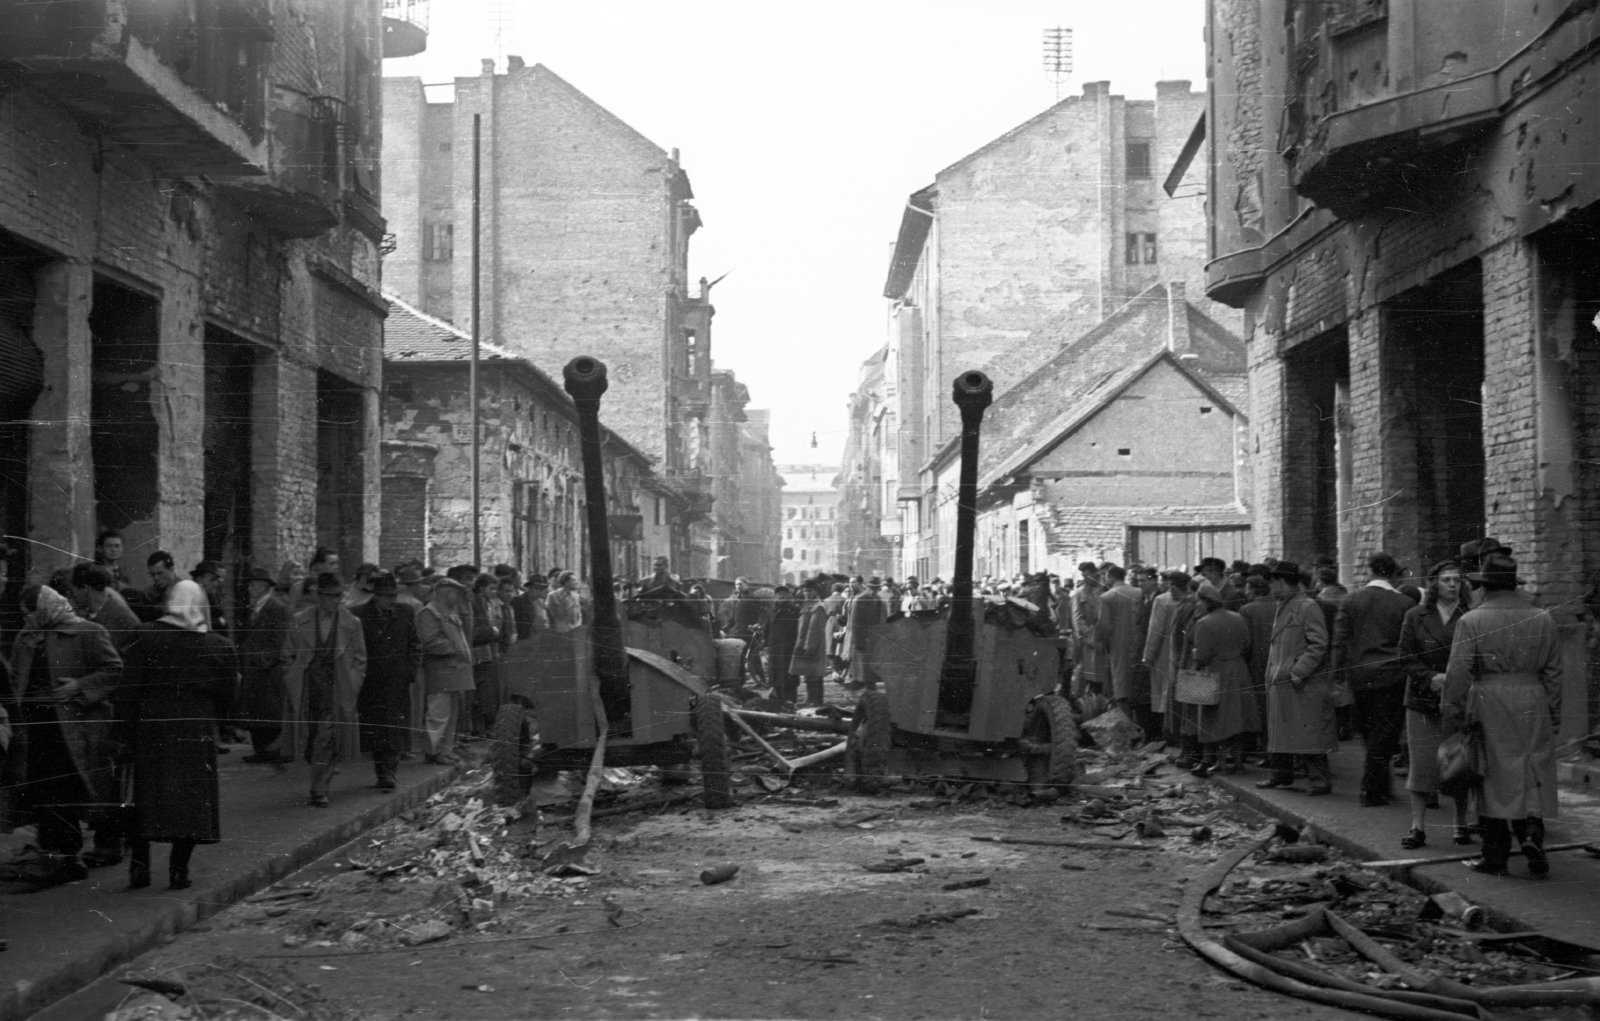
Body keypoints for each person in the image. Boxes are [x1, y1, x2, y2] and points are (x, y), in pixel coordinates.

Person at [1442, 553, 1562, 877]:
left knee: (1490, 774)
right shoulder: (1543, 617)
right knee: (1530, 769)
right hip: (1533, 698)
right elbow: (1553, 673)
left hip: (1489, 699)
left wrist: (1452, 714)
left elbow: (1458, 673)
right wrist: (1553, 713)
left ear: (1484, 587)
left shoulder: (1472, 620)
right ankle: (1533, 836)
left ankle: (1494, 857)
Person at [0, 586, 123, 885]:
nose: (26, 621)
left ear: (45, 609)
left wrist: (79, 686)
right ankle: (50, 854)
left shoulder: (89, 632)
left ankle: (68, 858)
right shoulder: (27, 638)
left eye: (30, 614)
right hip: (34, 728)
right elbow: (16, 681)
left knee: (64, 792)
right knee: (41, 793)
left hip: (72, 729)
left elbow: (114, 670)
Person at [120, 580, 235, 890]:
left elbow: (128, 689)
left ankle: (139, 866)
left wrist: (123, 730)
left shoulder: (143, 636)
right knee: (191, 801)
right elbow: (229, 698)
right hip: (195, 728)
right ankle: (178, 869)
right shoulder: (218, 645)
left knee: (147, 795)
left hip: (152, 725)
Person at [1395, 560, 1472, 850]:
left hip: (1458, 701)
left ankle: (1460, 824)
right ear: (1434, 585)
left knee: (1459, 764)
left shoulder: (1470, 615)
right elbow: (1405, 655)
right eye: (1446, 580)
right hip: (1422, 699)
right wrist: (1430, 678)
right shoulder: (1416, 615)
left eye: (1456, 580)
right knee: (1422, 765)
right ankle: (1418, 827)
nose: (1452, 585)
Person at [1333, 551, 1417, 806]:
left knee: (1369, 731)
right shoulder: (1404, 604)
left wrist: (1337, 674)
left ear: (1369, 570)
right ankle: (1372, 787)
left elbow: (1340, 640)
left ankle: (1380, 784)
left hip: (1359, 675)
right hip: (1391, 675)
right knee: (1384, 731)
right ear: (1392, 573)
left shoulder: (1350, 601)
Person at [282, 573, 367, 807]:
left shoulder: (352, 623)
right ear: (319, 596)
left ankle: (319, 790)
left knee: (327, 738)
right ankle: (319, 780)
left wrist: (353, 684)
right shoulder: (300, 620)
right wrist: (293, 679)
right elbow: (287, 654)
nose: (335, 601)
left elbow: (360, 659)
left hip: (337, 689)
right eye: (330, 596)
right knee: (309, 739)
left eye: (339, 596)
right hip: (307, 689)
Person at [1258, 561, 1335, 795]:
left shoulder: (1307, 605)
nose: (1270, 588)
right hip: (1282, 679)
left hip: (1299, 682)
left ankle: (1320, 781)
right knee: (1282, 731)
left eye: (1272, 583)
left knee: (1308, 733)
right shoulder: (1285, 604)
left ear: (1282, 582)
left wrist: (1298, 672)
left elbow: (1319, 644)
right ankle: (1281, 775)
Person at [353, 573, 420, 790]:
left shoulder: (405, 613)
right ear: (376, 596)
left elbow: (414, 645)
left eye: (393, 595)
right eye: (386, 596)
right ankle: (382, 771)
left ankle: (389, 773)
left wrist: (410, 672)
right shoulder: (359, 615)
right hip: (371, 682)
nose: (391, 600)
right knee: (377, 730)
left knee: (395, 729)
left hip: (397, 681)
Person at [1185, 580, 1259, 775]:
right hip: (1239, 670)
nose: (1197, 605)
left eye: (1198, 601)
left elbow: (1202, 656)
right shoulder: (1238, 617)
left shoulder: (1203, 623)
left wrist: (1195, 656)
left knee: (1213, 719)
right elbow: (1247, 645)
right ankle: (1237, 761)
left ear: (1207, 601)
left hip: (1215, 672)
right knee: (1238, 719)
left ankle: (1217, 761)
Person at [236, 566, 290, 764]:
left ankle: (271, 751)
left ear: (265, 586)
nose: (250, 588)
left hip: (268, 670)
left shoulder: (276, 608)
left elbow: (279, 640)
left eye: (254, 584)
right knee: (256, 712)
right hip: (254, 668)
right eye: (249, 584)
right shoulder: (255, 608)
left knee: (268, 713)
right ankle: (261, 750)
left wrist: (261, 660)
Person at [417, 578, 474, 764]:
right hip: (440, 669)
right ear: (445, 592)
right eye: (455, 592)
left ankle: (445, 751)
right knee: (438, 713)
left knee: (451, 714)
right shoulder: (429, 612)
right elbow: (431, 642)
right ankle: (433, 752)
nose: (457, 597)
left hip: (454, 669)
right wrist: (456, 648)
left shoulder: (449, 611)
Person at [1142, 571, 1190, 742]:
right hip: (1182, 652)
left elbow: (1155, 630)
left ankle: (1167, 732)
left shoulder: (1162, 600)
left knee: (1163, 693)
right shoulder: (1192, 598)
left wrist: (1148, 656)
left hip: (1163, 652)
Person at [1095, 565, 1145, 710]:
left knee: (1120, 681)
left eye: (1106, 576)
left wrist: (1102, 642)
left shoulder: (1107, 597)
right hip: (1138, 642)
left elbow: (1104, 625)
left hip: (1117, 643)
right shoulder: (1138, 592)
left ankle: (1124, 717)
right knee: (1136, 679)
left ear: (1111, 577)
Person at [790, 579, 832, 706]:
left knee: (813, 673)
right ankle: (812, 699)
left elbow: (814, 631)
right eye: (804, 591)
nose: (806, 593)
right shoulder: (808, 605)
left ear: (815, 591)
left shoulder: (817, 607)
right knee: (810, 673)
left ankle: (815, 700)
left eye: (809, 591)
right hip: (806, 643)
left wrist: (809, 648)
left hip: (813, 645)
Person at [843, 576, 889, 690]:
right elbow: (855, 622)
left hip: (875, 641)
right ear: (867, 587)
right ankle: (867, 690)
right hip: (863, 641)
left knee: (870, 671)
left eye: (876, 588)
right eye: (871, 588)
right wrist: (858, 641)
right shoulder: (861, 600)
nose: (873, 591)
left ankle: (866, 689)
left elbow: (884, 620)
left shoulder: (880, 601)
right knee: (864, 671)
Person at [766, 584, 803, 705]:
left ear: (788, 595)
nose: (780, 596)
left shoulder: (794, 610)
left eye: (783, 593)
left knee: (788, 677)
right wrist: (765, 641)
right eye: (778, 594)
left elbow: (799, 629)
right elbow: (767, 627)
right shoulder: (772, 609)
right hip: (775, 648)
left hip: (788, 647)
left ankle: (790, 702)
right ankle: (778, 702)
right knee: (776, 675)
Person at [1071, 563, 1105, 695]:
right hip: (1091, 643)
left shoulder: (1105, 590)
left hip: (1107, 641)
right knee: (1093, 680)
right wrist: (1092, 637)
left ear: (1095, 573)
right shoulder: (1080, 594)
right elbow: (1078, 619)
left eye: (1087, 574)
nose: (1085, 577)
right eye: (1083, 575)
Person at [191, 560, 229, 635]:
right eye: (212, 580)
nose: (215, 584)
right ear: (199, 579)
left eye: (216, 580)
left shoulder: (210, 596)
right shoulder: (192, 599)